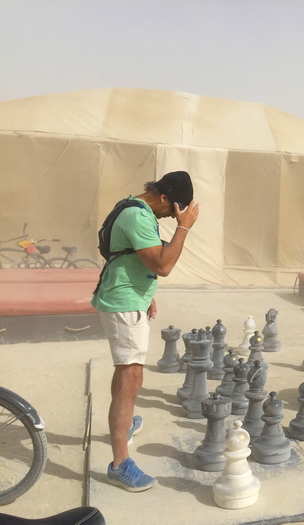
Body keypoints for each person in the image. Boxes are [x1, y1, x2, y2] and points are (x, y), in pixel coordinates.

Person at [92, 171, 199, 491]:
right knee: (130, 377)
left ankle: (123, 424)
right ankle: (119, 463)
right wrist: (184, 228)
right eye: (173, 211)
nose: (171, 217)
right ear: (164, 198)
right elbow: (163, 265)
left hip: (131, 297)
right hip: (123, 303)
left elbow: (137, 257)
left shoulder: (135, 207)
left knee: (128, 373)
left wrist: (148, 295)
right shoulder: (138, 217)